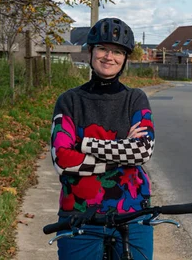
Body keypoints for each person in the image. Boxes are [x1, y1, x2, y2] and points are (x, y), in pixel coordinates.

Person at [50, 17, 155, 259]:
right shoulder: (69, 101)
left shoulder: (135, 99)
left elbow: (142, 151)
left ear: (125, 58)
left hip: (132, 211)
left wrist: (85, 144)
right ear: (91, 51)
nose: (109, 57)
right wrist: (122, 154)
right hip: (79, 213)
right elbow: (63, 161)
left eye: (117, 51)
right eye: (103, 48)